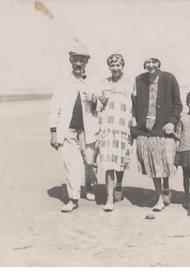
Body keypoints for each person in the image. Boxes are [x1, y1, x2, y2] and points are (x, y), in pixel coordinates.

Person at [48, 50, 103, 212]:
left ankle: (91, 186)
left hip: (89, 129)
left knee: (90, 162)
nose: (79, 64)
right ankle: (73, 199)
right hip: (67, 130)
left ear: (86, 63)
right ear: (71, 62)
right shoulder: (63, 82)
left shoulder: (93, 81)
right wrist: (53, 132)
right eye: (76, 61)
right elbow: (54, 107)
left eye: (82, 61)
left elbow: (102, 103)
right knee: (71, 163)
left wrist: (95, 101)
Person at [131, 57, 182, 212]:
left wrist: (172, 122)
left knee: (165, 162)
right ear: (144, 65)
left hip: (164, 127)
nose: (151, 65)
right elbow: (133, 102)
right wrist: (134, 119)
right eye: (148, 62)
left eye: (154, 62)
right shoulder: (139, 79)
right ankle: (159, 197)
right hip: (145, 129)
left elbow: (178, 104)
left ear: (159, 64)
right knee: (152, 165)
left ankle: (166, 185)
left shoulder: (169, 78)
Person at [97, 54, 133, 212]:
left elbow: (136, 106)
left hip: (124, 127)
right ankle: (109, 199)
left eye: (118, 65)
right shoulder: (103, 83)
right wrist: (98, 101)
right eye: (113, 65)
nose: (116, 68)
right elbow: (98, 106)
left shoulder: (130, 84)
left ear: (123, 66)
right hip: (107, 127)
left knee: (120, 161)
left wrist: (133, 127)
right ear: (109, 67)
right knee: (108, 163)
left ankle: (119, 184)